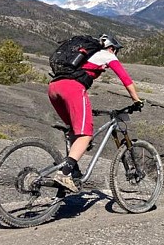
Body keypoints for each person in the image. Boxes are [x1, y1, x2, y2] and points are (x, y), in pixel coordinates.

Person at [48, 34, 143, 192]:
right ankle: (64, 173)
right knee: (85, 135)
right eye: (116, 51)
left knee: (74, 130)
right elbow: (125, 78)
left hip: (54, 88)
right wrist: (136, 100)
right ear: (112, 48)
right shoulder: (106, 55)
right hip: (72, 88)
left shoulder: (83, 56)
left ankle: (74, 171)